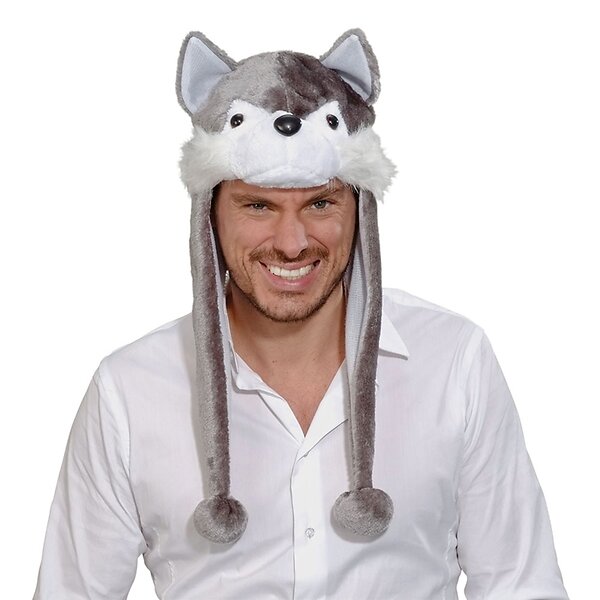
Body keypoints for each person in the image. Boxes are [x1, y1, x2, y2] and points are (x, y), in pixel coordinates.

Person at [33, 29, 568, 599]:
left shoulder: (454, 360)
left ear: (359, 208)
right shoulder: (129, 390)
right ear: (210, 214)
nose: (292, 244)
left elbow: (521, 585)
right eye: (257, 205)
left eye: (320, 202)